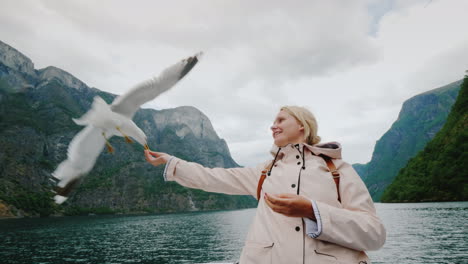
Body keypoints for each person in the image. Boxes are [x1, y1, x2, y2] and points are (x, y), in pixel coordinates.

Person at [144, 106, 386, 264]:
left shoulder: (339, 171)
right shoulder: (263, 172)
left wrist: (313, 211)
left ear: (302, 125)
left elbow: (374, 234)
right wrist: (173, 163)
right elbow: (212, 177)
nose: (273, 125)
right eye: (273, 121)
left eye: (281, 119)